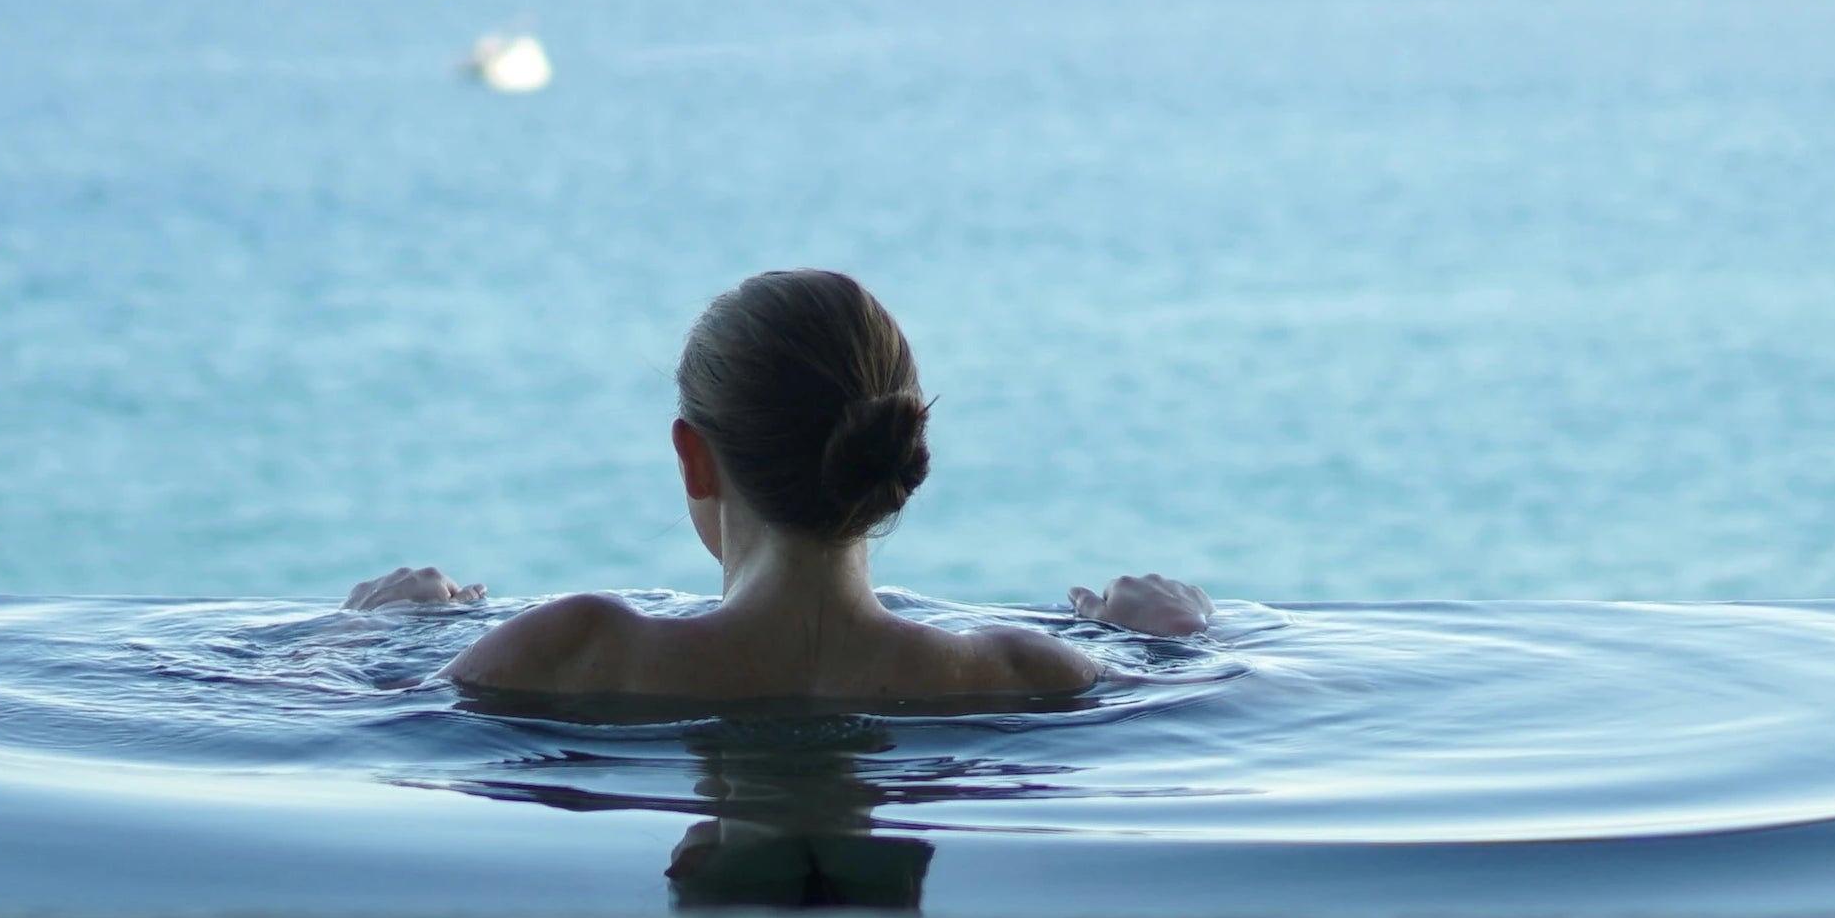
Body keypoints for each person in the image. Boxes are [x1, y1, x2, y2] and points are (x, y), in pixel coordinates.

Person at [349, 267, 1213, 702]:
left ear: (694, 457)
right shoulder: (1020, 673)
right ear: (899, 454)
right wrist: (1172, 641)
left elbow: (321, 711)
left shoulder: (575, 651)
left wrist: (376, 634)